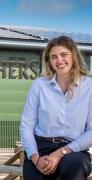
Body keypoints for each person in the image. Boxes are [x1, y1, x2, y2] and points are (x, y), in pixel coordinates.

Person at [20, 35, 92, 180]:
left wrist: (60, 153)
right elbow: (26, 126)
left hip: (73, 150)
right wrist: (35, 158)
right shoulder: (39, 85)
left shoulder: (89, 87)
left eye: (64, 54)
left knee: (76, 167)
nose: (59, 61)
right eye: (53, 57)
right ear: (49, 61)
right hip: (41, 148)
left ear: (74, 56)